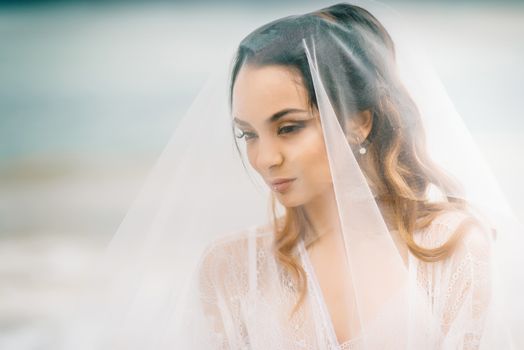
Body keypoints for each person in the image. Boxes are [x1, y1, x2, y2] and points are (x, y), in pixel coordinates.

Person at [92, 2, 521, 349]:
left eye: (289, 127)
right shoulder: (230, 270)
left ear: (358, 122)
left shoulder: (449, 250)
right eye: (248, 134)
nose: (264, 158)